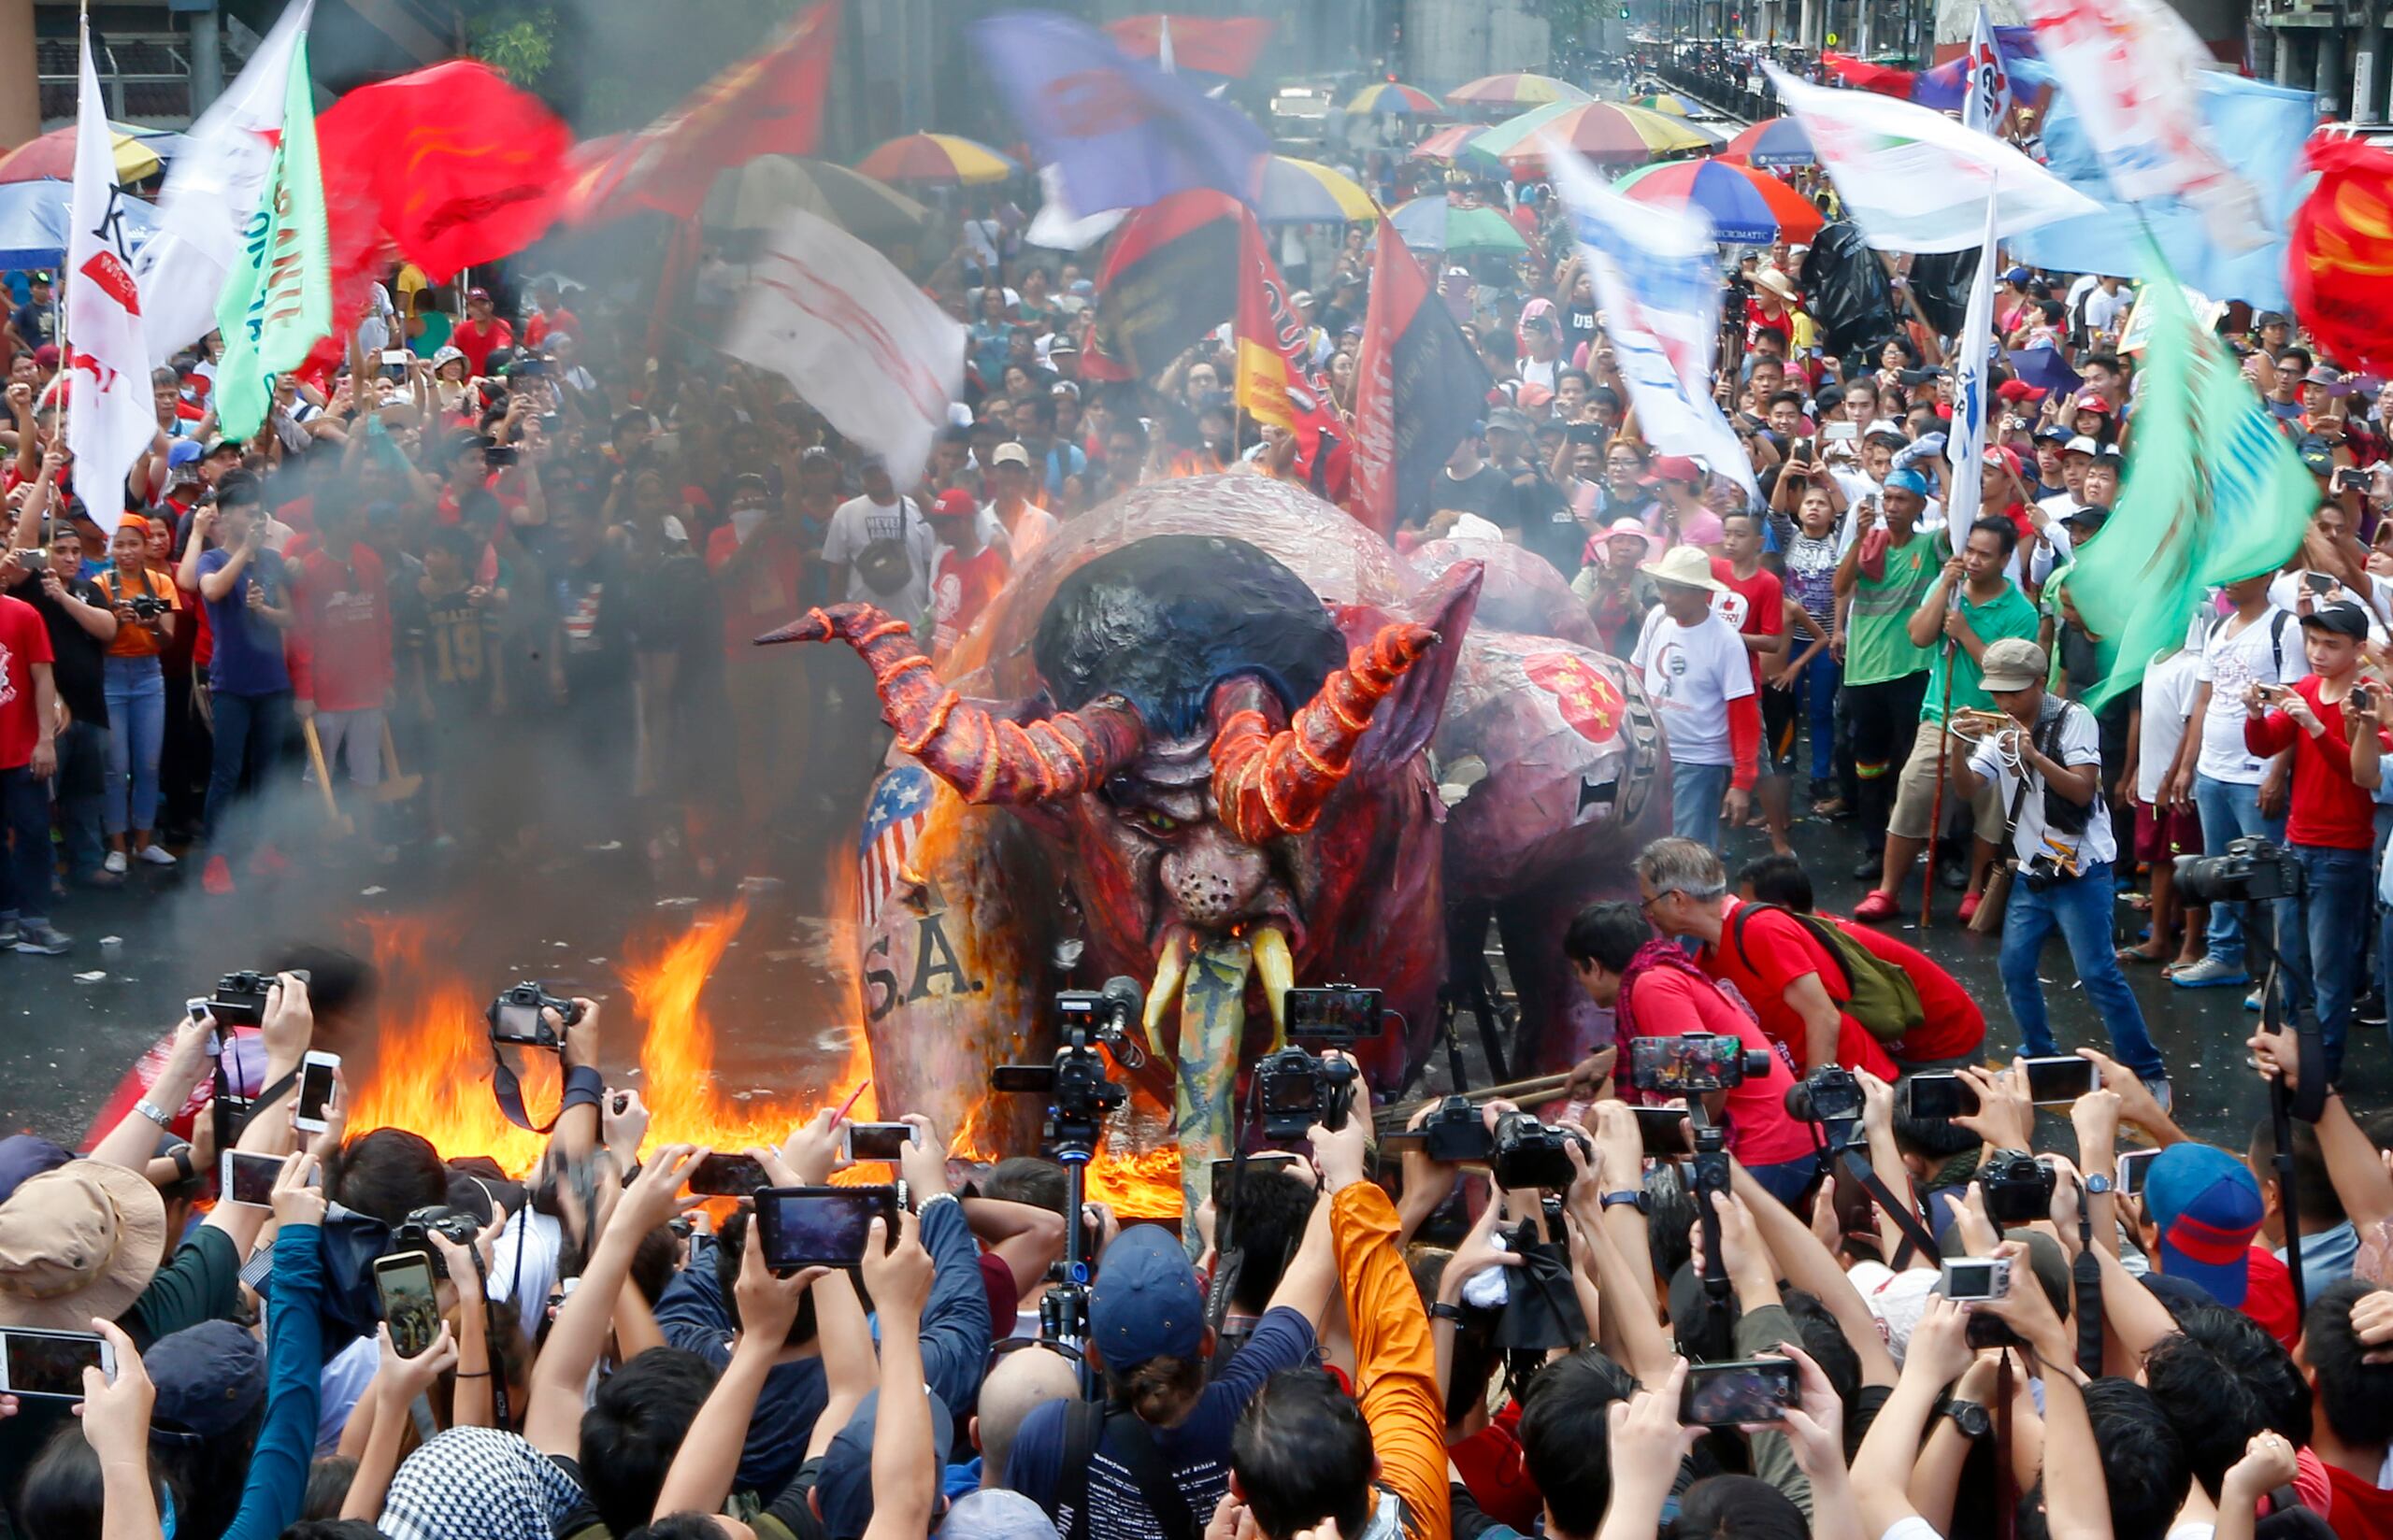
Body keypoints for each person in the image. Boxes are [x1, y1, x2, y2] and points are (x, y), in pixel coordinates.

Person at [1006, 1211, 1332, 1538]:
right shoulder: (1253, 1407)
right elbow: (1315, 1261)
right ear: (1206, 1341)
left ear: (1093, 1357)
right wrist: (1341, 1178)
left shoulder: (1049, 1438)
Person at [1953, 637, 2171, 1099]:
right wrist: (1956, 745)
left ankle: (2148, 1072)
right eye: (1996, 691)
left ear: (2040, 682)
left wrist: (2034, 756)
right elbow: (1970, 786)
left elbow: (2081, 791)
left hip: (2080, 868)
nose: (2002, 701)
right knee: (2014, 966)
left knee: (2097, 973)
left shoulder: (2075, 720)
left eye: (2013, 691)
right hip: (2035, 867)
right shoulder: (1998, 730)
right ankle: (2039, 1055)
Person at [1563, 899, 1814, 1202]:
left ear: (1595, 966)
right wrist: (1577, 1146)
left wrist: (1664, 1144)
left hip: (1768, 1148)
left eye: (1579, 971)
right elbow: (1614, 1094)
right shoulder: (1652, 976)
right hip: (1776, 1142)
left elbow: (1712, 1082)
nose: (1580, 981)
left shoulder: (1652, 987)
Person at [1856, 516, 2041, 924]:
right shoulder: (1949, 591)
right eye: (1969, 550)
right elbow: (1919, 635)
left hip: (1995, 721)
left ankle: (1975, 890)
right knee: (1913, 790)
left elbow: (2007, 675)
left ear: (2006, 559)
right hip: (1942, 715)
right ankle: (1888, 890)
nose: (1973, 561)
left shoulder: (2021, 611)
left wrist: (1966, 634)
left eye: (1985, 555)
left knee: (1990, 808)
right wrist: (1942, 588)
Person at [2240, 599, 2387, 1084]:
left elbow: (2360, 772)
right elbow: (2264, 745)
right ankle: (2292, 1057)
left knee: (2330, 967)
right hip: (2297, 841)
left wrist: (2312, 723)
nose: (2317, 652)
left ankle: (2324, 1068)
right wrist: (2255, 714)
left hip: (2342, 851)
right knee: (2292, 959)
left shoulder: (2371, 701)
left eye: (2331, 644)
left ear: (2358, 649)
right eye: (2313, 641)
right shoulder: (2305, 687)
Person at [1634, 836, 1898, 1080]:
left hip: (1855, 1088)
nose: (1648, 913)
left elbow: (1823, 1016)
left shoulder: (1761, 930)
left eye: (1648, 902)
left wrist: (1814, 1103)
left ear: (1678, 899)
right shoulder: (1705, 958)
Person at [2163, 573, 2299, 991]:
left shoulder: (2285, 628)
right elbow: (2204, 700)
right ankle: (2225, 955)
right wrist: (2189, 766)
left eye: (2244, 573)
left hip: (2255, 775)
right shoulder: (2219, 626)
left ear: (2268, 575)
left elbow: (2293, 704)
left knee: (2269, 878)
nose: (2231, 583)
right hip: (2213, 771)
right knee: (2217, 869)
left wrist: (2277, 773)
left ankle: (2279, 974)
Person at [185, 472, 296, 894]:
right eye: (249, 514)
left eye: (260, 514)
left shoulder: (271, 560)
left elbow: (291, 617)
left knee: (267, 771)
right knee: (227, 773)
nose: (257, 521)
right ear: (227, 518)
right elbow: (210, 591)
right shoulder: (214, 559)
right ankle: (217, 857)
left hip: (272, 681)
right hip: (231, 683)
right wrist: (245, 551)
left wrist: (266, 612)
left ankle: (265, 847)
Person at [1833, 472, 1938, 889]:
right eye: (1887, 498)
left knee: (1913, 764)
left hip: (1912, 669)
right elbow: (1841, 586)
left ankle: (1927, 846)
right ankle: (1876, 847)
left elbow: (1964, 523)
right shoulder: (1869, 543)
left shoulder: (1930, 545)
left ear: (1919, 506)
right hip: (1863, 673)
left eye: (1902, 499)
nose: (1892, 506)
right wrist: (1858, 539)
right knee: (1868, 763)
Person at [1629, 546, 1758, 851]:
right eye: (1663, 587)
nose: (1666, 596)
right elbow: (1635, 675)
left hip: (1699, 762)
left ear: (1703, 593)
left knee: (1687, 852)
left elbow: (1744, 713)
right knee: (1650, 848)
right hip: (1654, 754)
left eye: (1676, 589)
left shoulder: (1725, 641)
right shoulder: (1658, 618)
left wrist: (1742, 782)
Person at [91, 516, 178, 875]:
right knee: (116, 768)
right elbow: (96, 642)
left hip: (149, 676)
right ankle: (117, 845)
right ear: (111, 547)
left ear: (145, 546)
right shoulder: (99, 584)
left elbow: (168, 641)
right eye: (120, 544)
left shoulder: (161, 582)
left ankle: (144, 842)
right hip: (111, 677)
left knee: (148, 763)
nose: (126, 552)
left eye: (134, 544)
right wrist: (117, 621)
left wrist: (152, 623)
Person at [0, 568, 63, 952]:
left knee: (35, 833)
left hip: (22, 752)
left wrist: (45, 740)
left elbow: (43, 678)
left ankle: (34, 920)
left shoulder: (24, 614)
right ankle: (6, 914)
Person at [824, 459, 938, 636]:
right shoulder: (845, 512)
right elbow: (836, 574)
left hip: (912, 625)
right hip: (863, 630)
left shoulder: (917, 508)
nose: (876, 477)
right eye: (869, 473)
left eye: (881, 470)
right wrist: (836, 624)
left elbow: (930, 566)